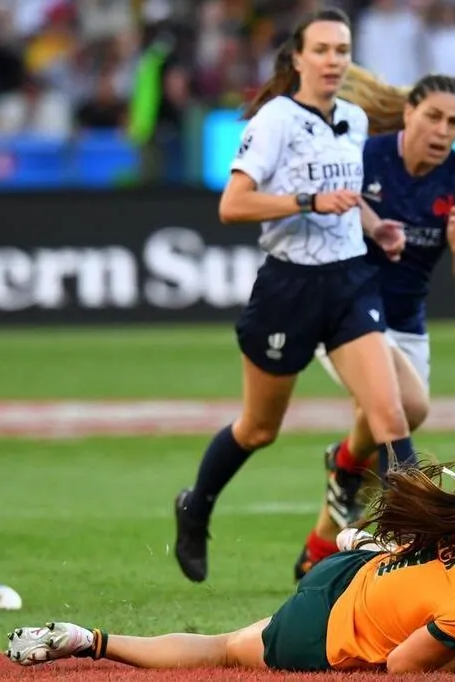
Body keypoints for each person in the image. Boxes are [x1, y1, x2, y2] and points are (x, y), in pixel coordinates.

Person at [172, 8, 417, 585]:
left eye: (342, 50)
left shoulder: (353, 119)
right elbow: (233, 205)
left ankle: (424, 538)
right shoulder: (275, 120)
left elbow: (346, 196)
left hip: (349, 280)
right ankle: (196, 505)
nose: (334, 60)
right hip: (289, 288)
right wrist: (306, 202)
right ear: (298, 58)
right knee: (259, 428)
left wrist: (375, 224)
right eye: (323, 50)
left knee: (390, 414)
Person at [7, 464, 455, 674]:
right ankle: (91, 641)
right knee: (224, 649)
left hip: (346, 572)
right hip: (325, 629)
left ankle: (92, 638)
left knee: (223, 644)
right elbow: (406, 667)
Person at [294, 72, 455, 581]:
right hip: (343, 310)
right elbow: (320, 204)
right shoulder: (365, 155)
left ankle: (323, 533)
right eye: (433, 116)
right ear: (409, 113)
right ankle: (408, 528)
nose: (443, 130)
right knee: (405, 408)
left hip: (405, 325)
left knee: (382, 414)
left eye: (454, 122)